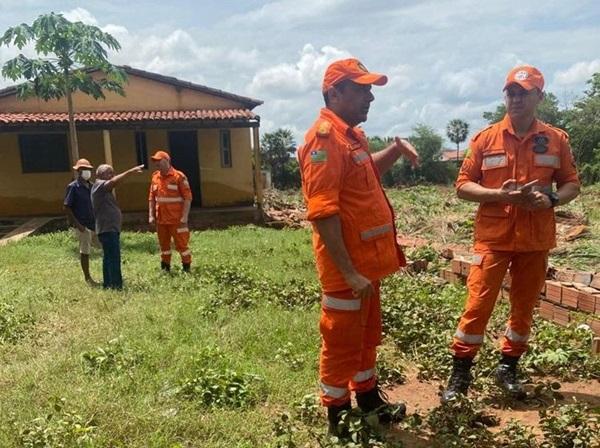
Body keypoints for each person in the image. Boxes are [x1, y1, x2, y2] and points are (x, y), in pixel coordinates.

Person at [441, 65, 581, 403]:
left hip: (535, 239)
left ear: (539, 96)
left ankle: (508, 367)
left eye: (523, 92)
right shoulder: (485, 138)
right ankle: (460, 373)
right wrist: (498, 195)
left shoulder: (556, 139)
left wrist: (549, 199)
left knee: (523, 307)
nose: (515, 98)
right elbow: (462, 186)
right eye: (511, 92)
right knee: (477, 304)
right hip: (494, 238)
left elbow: (571, 184)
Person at [298, 58, 419, 435]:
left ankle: (367, 399)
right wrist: (349, 272)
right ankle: (339, 415)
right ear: (335, 92)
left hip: (367, 265)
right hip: (346, 269)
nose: (370, 97)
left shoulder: (350, 136)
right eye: (362, 89)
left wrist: (395, 152)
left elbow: (363, 175)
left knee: (366, 336)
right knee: (341, 342)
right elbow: (322, 212)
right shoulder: (324, 140)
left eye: (370, 90)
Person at [91, 164, 144, 289]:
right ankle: (116, 285)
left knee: (108, 257)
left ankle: (108, 283)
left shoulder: (102, 189)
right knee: (114, 257)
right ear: (100, 174)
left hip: (108, 228)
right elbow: (113, 182)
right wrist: (130, 171)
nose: (112, 176)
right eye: (109, 173)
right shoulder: (99, 185)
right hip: (107, 228)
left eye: (113, 173)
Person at [148, 150, 193, 273]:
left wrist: (184, 217)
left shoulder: (179, 176)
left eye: (159, 160)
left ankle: (186, 268)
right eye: (155, 161)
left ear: (167, 161)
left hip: (177, 220)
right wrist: (151, 215)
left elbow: (188, 198)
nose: (156, 163)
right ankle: (165, 268)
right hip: (161, 220)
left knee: (182, 245)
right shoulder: (155, 177)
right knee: (164, 246)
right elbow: (152, 198)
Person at [63, 158, 97, 285]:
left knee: (103, 246)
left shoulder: (92, 186)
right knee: (85, 251)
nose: (86, 172)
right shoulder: (73, 187)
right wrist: (78, 225)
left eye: (88, 170)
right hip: (81, 225)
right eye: (84, 170)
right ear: (78, 172)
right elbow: (67, 207)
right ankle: (87, 277)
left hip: (93, 223)